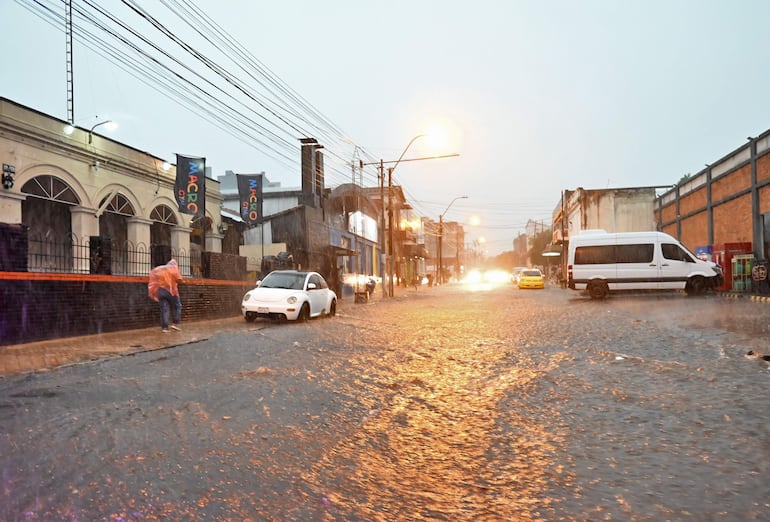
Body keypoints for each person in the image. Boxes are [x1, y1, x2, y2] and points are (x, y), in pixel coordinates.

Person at [148, 259, 183, 333]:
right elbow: (179, 279)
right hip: (172, 291)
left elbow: (154, 279)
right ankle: (175, 323)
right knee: (177, 306)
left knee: (164, 309)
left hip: (161, 291)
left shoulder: (160, 269)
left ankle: (165, 327)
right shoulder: (174, 269)